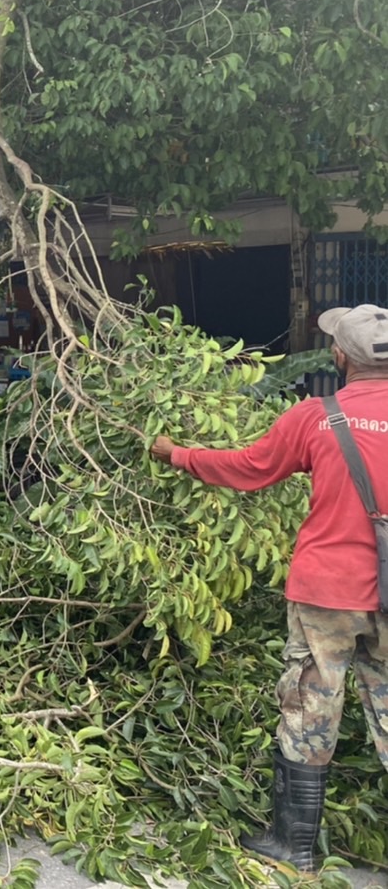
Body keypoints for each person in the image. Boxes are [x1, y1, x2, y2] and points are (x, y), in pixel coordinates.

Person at [150, 304, 388, 873]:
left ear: (340, 356)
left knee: (310, 706)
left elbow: (249, 467)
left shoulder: (316, 416)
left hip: (327, 590)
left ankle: (294, 846)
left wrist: (175, 453)